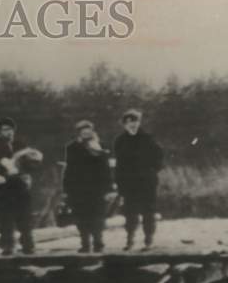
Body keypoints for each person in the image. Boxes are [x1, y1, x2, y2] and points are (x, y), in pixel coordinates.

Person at [113, 108, 164, 250]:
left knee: (148, 211)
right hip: (129, 183)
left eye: (134, 121)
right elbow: (119, 163)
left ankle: (149, 240)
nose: (132, 124)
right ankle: (130, 240)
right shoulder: (120, 141)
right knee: (130, 212)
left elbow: (159, 156)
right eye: (128, 122)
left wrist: (152, 170)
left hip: (147, 182)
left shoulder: (148, 138)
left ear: (139, 122)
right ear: (124, 124)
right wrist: (119, 182)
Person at [0, 116, 38, 255]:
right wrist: (4, 168)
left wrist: (27, 172)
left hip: (20, 184)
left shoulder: (20, 143)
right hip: (4, 185)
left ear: (14, 130)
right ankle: (7, 245)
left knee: (25, 215)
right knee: (5, 216)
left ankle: (28, 244)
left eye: (10, 129)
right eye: (4, 130)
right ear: (0, 132)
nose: (8, 132)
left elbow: (30, 161)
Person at [63, 120, 114, 253]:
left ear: (92, 131)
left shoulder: (99, 145)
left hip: (97, 188)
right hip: (78, 188)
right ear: (78, 132)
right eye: (82, 130)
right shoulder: (72, 147)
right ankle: (85, 243)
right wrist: (66, 189)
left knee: (97, 216)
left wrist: (109, 188)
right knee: (81, 217)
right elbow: (69, 169)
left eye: (88, 129)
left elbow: (106, 169)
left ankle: (98, 243)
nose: (85, 132)